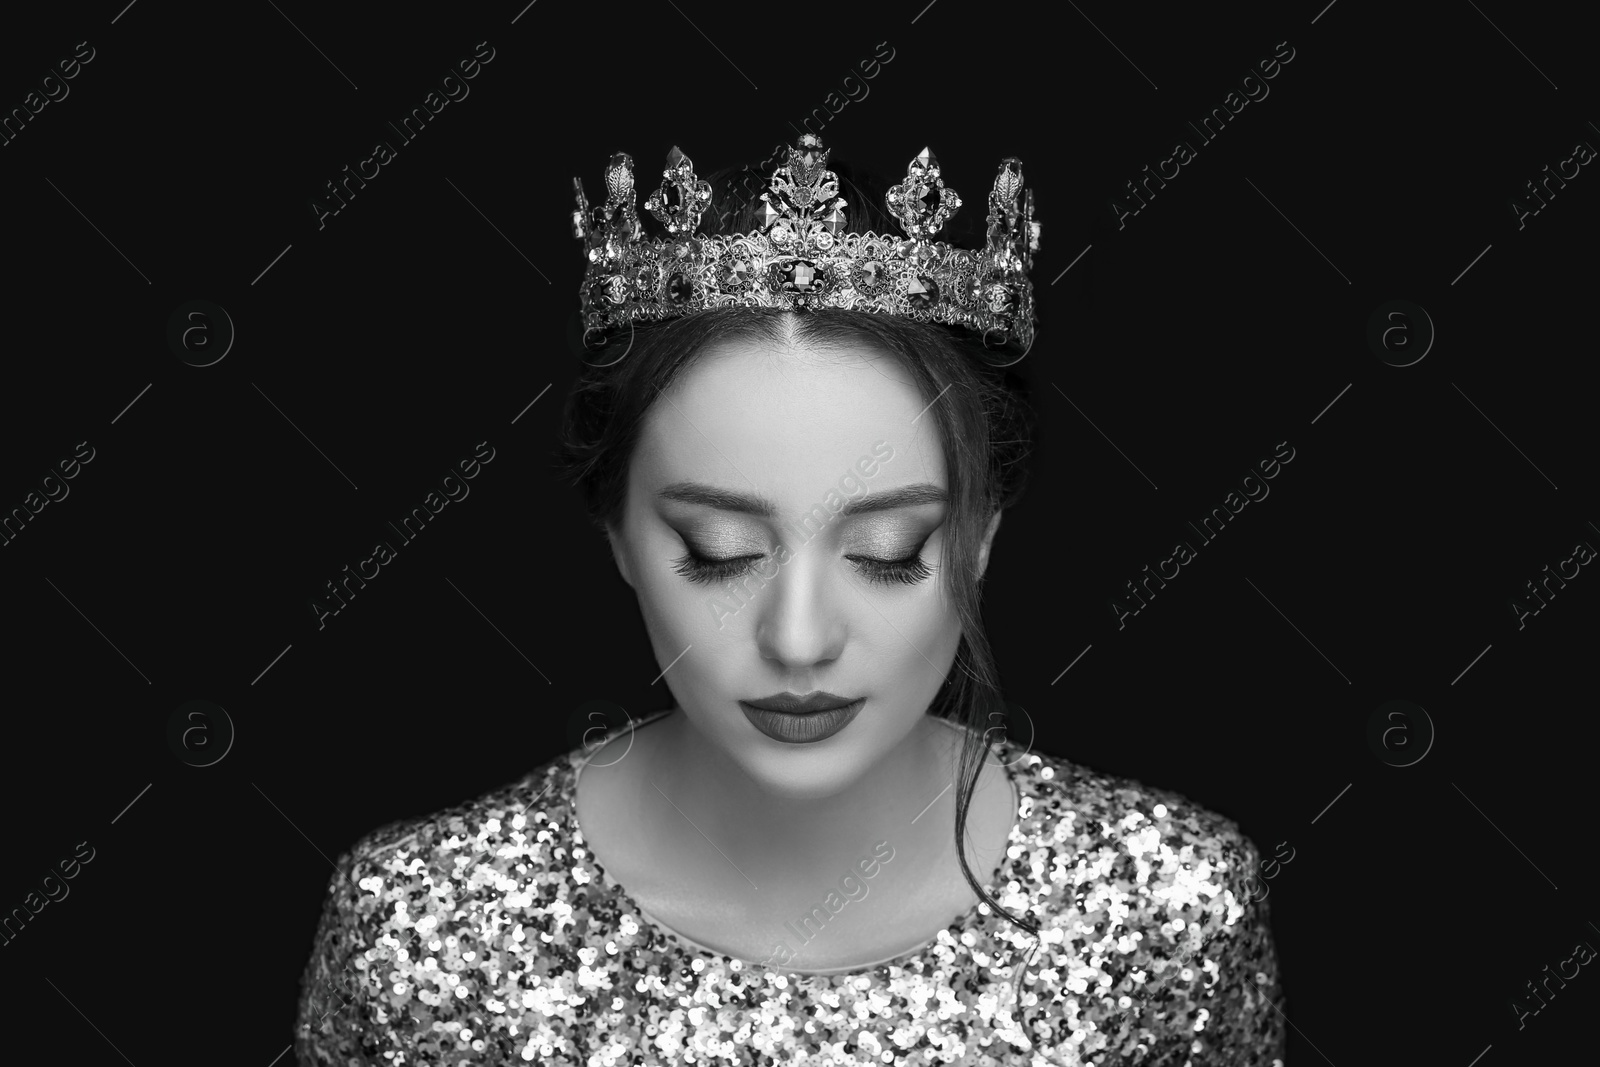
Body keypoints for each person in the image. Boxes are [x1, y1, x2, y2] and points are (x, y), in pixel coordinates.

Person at [293, 134, 1286, 1065]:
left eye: (888, 551)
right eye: (719, 552)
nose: (798, 637)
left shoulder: (1165, 911)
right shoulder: (429, 924)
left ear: (980, 536)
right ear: (619, 535)